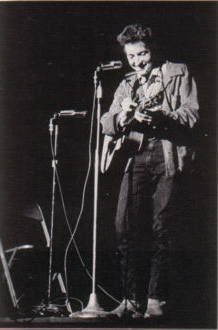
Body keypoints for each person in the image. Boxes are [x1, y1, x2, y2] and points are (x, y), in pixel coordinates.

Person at [100, 24, 199, 319]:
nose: (137, 61)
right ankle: (131, 300)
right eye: (131, 57)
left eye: (141, 54)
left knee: (162, 229)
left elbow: (192, 113)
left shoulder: (178, 72)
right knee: (124, 227)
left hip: (166, 154)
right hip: (134, 157)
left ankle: (156, 300)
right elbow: (106, 123)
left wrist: (162, 116)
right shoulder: (127, 84)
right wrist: (124, 115)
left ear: (152, 49)